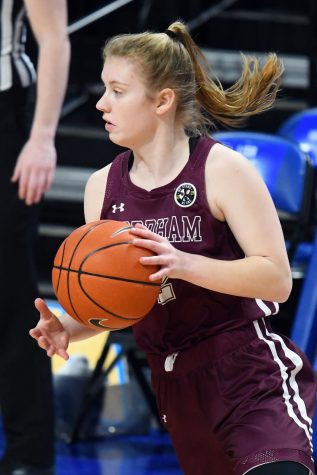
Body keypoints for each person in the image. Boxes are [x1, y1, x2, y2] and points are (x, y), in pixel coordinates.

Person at [30, 20, 316, 475]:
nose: (102, 103)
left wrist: (185, 264)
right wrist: (72, 324)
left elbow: (277, 280)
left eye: (118, 90)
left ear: (162, 101)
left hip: (246, 376)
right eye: (104, 89)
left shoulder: (222, 170)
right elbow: (120, 299)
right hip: (175, 386)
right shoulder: (101, 187)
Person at [0, 1, 70, 474]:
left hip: (6, 115)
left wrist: (42, 136)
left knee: (9, 290)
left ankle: (28, 454)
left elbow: (55, 41)